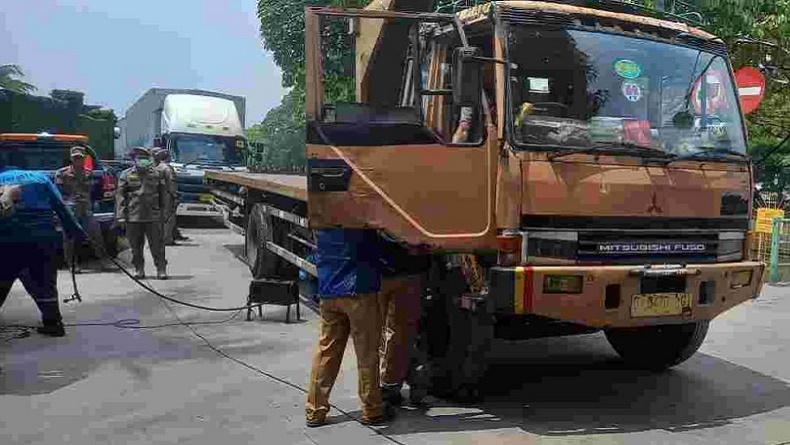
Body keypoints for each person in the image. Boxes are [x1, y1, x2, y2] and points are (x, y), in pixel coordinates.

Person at [305, 228, 394, 428]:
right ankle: (372, 409)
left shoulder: (324, 213)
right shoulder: (361, 212)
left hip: (329, 289)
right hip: (359, 289)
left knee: (326, 352)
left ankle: (314, 410)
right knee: (367, 353)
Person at [0, 165, 86, 337]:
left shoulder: (2, 179)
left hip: (7, 238)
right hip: (43, 237)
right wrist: (76, 232)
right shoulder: (40, 178)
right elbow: (60, 206)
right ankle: (53, 324)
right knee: (45, 282)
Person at [378, 233, 429, 406]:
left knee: (389, 332)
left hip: (380, 269)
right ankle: (391, 385)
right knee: (400, 332)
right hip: (406, 270)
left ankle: (389, 384)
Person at [116, 147, 168, 280]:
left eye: (145, 159)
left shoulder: (157, 174)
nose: (143, 161)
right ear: (134, 160)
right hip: (133, 216)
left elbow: (163, 195)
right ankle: (139, 269)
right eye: (140, 159)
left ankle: (161, 269)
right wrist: (121, 216)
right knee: (135, 246)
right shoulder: (126, 175)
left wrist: (164, 214)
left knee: (157, 245)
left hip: (153, 216)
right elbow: (120, 197)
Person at [54, 146, 106, 272]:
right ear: (71, 159)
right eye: (75, 158)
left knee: (96, 234)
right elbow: (58, 193)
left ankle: (102, 261)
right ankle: (72, 264)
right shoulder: (62, 173)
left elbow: (94, 191)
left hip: (86, 208)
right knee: (69, 238)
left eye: (80, 158)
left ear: (84, 158)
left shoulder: (89, 173)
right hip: (70, 209)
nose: (78, 160)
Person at [152, 148, 179, 246]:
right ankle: (167, 239)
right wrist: (174, 195)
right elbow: (171, 183)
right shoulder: (167, 168)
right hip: (167, 195)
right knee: (168, 218)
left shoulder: (155, 167)